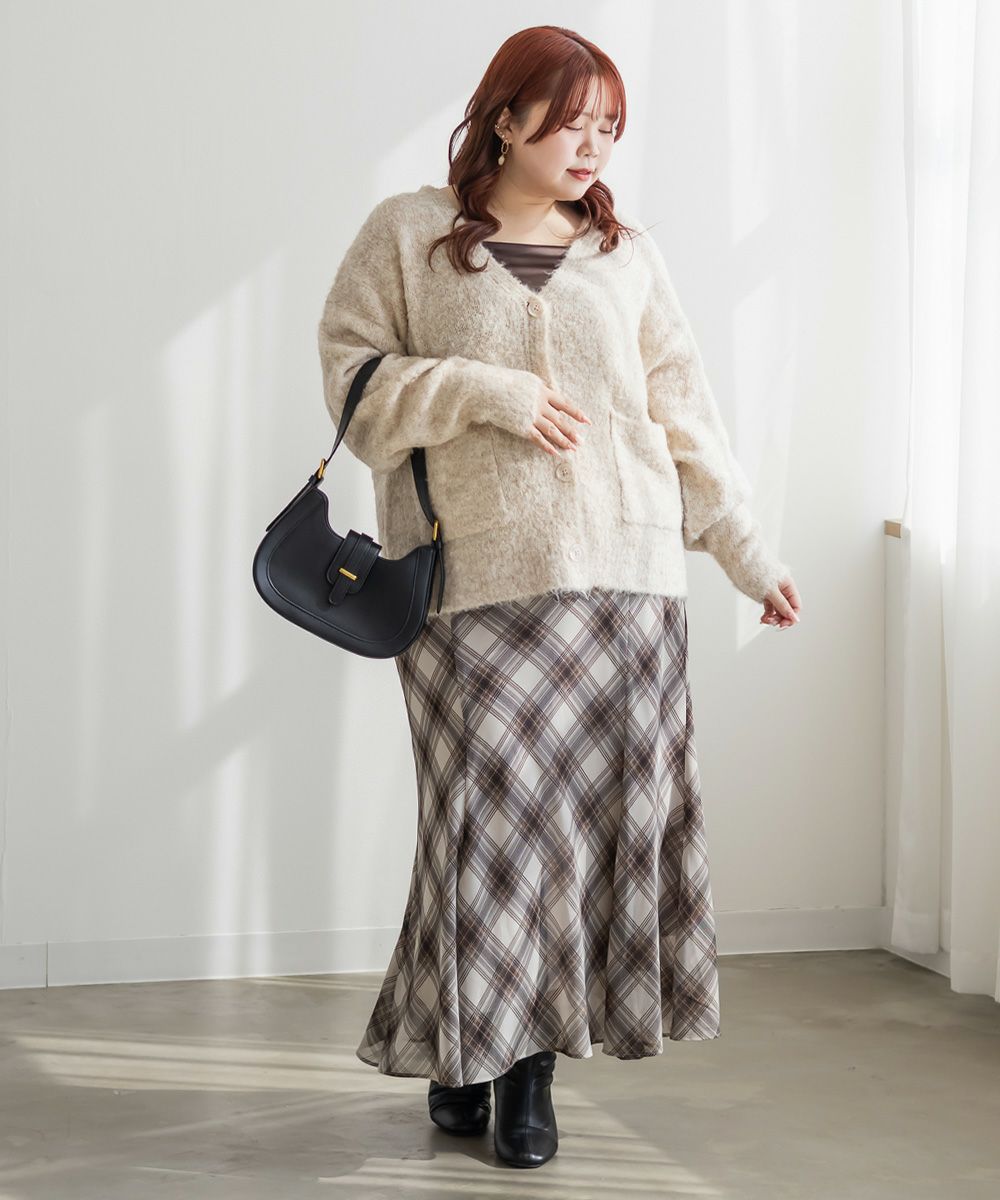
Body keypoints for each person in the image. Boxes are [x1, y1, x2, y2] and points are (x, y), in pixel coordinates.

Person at [317, 24, 802, 1171]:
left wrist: (745, 552)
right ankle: (471, 1047)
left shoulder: (625, 255)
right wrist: (487, 391)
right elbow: (354, 388)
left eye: (608, 127)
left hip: (626, 585)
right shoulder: (407, 234)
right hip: (473, 583)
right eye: (572, 120)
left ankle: (516, 1071)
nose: (592, 145)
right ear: (504, 117)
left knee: (577, 840)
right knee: (487, 834)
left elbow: (681, 413)